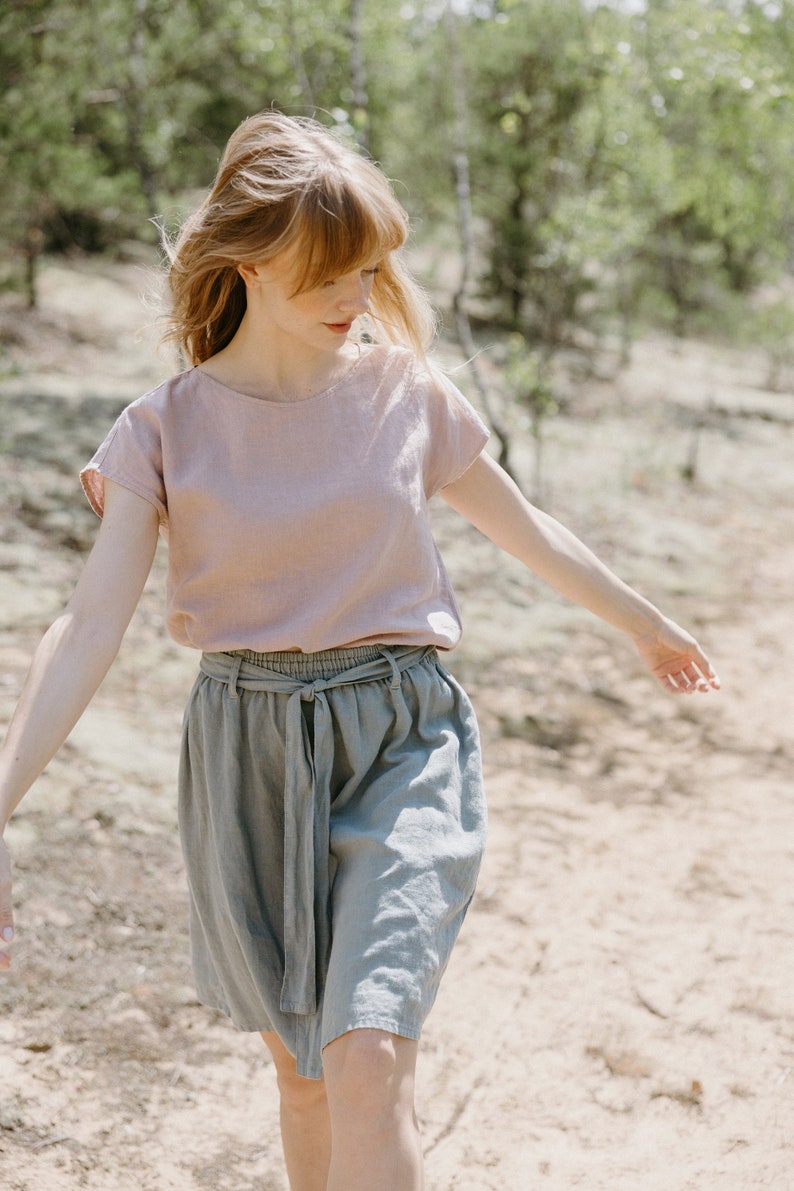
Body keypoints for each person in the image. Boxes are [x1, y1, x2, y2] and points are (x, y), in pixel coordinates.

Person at [0, 111, 719, 1191]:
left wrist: (644, 623)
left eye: (370, 270)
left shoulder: (406, 395)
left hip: (400, 733)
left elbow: (527, 530)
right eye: (327, 273)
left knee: (367, 1058)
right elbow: (90, 621)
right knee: (302, 1080)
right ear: (244, 258)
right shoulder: (162, 429)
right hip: (246, 752)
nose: (355, 298)